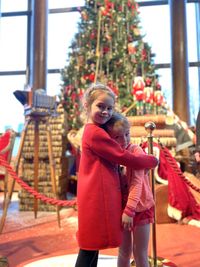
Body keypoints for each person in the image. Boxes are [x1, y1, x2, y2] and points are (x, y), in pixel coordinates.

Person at [75, 83, 158, 267]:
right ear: (88, 106)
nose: (105, 111)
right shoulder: (95, 133)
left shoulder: (97, 129)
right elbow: (121, 156)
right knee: (89, 246)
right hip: (97, 194)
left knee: (92, 245)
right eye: (100, 106)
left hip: (102, 194)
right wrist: (150, 161)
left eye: (109, 108)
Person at [103, 112, 155, 267]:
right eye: (117, 137)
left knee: (140, 252)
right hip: (121, 209)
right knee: (123, 251)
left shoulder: (136, 151)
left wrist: (129, 211)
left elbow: (137, 183)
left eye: (127, 134)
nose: (124, 140)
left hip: (140, 208)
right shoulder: (111, 155)